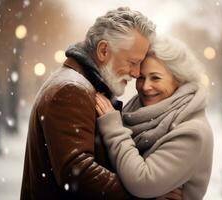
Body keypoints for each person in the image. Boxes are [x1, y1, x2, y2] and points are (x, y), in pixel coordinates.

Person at [21, 7, 156, 200]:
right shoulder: (71, 90)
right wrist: (144, 195)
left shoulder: (77, 85)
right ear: (103, 50)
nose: (136, 73)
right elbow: (78, 174)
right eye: (133, 62)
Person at [95, 35, 214, 200]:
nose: (145, 86)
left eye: (155, 77)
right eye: (141, 77)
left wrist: (113, 129)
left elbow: (142, 182)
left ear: (179, 80)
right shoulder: (136, 110)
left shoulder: (193, 132)